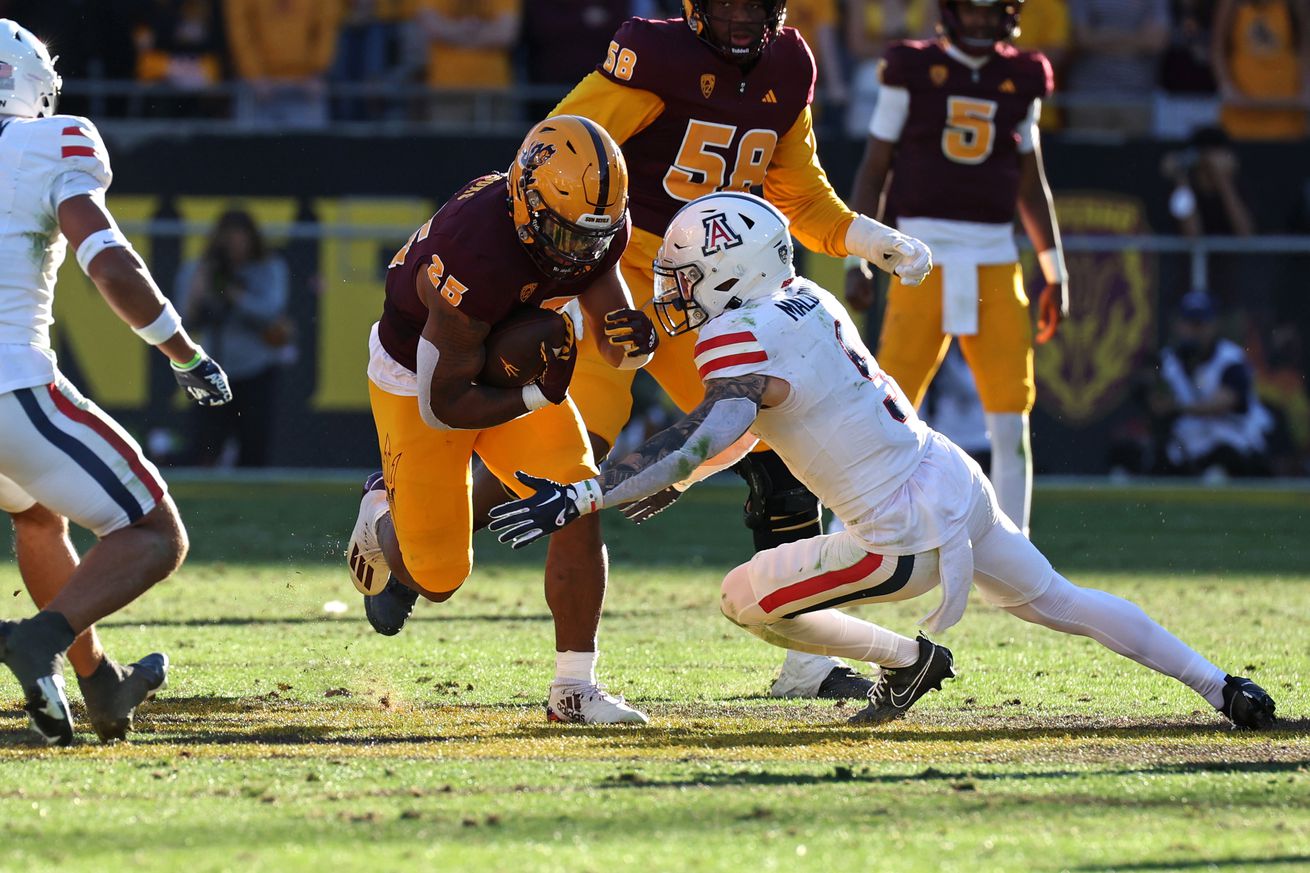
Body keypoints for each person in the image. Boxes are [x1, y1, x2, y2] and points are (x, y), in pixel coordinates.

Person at [489, 192, 1278, 731]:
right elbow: (770, 417)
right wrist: (690, 474)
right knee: (1061, 600)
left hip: (897, 529)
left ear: (731, 273)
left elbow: (702, 429)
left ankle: (909, 660)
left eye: (686, 277)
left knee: (742, 599)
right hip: (949, 476)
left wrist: (584, 495)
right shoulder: (809, 299)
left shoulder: (736, 335)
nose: (675, 292)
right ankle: (1220, 684)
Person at [488, 0, 933, 703]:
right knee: (569, 466)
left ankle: (805, 660)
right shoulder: (653, 55)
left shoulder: (790, 65)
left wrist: (869, 238)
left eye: (752, 2)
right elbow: (554, 148)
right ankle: (407, 521)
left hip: (705, 289)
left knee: (771, 446)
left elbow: (803, 201)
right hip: (619, 277)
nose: (737, 15)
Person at [345, 116, 659, 724]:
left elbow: (615, 332)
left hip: (508, 373)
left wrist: (637, 338)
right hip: (421, 383)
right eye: (562, 234)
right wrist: (539, 398)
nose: (575, 252)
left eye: (588, 237)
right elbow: (445, 405)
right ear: (524, 198)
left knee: (577, 497)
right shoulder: (474, 253)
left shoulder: (588, 226)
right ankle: (380, 508)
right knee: (435, 578)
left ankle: (574, 690)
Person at [0, 20, 234, 745]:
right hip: (10, 384)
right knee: (155, 533)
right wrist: (185, 352)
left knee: (38, 515)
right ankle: (38, 641)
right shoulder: (46, 142)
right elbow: (108, 261)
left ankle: (99, 681)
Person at [845, 0, 1067, 539]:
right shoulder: (911, 67)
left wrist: (1055, 271)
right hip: (921, 256)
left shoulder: (1022, 74)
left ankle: (1017, 550)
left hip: (995, 258)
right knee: (890, 406)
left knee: (1012, 415)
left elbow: (1030, 181)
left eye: (992, 10)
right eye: (971, 8)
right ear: (950, 11)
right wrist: (861, 255)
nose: (981, 19)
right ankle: (851, 531)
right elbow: (875, 165)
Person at [175, 208, 292, 467]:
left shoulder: (269, 268)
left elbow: (271, 311)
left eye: (241, 238)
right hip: (211, 369)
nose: (235, 246)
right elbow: (185, 319)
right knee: (203, 445)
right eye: (229, 239)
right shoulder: (200, 269)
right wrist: (203, 287)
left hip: (256, 368)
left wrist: (234, 295)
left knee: (254, 446)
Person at [1151, 292, 1273, 477]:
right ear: (1178, 325)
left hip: (1234, 440)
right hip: (1191, 443)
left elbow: (1224, 402)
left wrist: (1175, 406)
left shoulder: (1231, 359)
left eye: (1200, 324)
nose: (1194, 330)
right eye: (1189, 323)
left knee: (1223, 458)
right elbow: (1154, 399)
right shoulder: (1167, 361)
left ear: (1213, 324)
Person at [1212, 0, 1310, 141]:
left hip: (1287, 118)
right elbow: (1218, 47)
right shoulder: (1231, 4)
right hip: (1241, 117)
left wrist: (1306, 87)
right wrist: (1226, 85)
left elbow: (1306, 45)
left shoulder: (1295, 3)